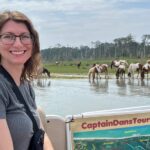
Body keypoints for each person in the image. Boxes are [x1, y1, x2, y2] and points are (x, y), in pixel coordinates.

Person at [0, 10, 54, 150]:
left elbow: (42, 135)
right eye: (8, 37)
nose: (18, 44)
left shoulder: (25, 84)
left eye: (25, 37)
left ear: (33, 42)